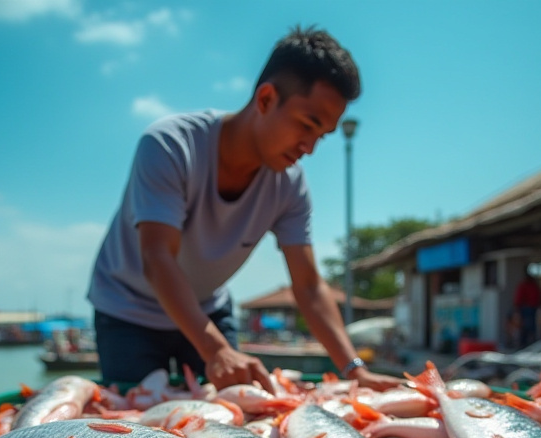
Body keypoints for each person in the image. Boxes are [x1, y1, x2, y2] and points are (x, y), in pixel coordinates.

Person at [86, 27, 402, 391]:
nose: (310, 148)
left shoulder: (290, 185)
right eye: (307, 125)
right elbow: (158, 258)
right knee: (134, 417)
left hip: (206, 308)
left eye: (322, 135)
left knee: (231, 407)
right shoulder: (171, 146)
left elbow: (309, 286)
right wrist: (216, 350)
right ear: (266, 99)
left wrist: (354, 370)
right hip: (127, 309)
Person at [511, 264, 541, 349]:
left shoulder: (531, 285)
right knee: (526, 327)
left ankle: (529, 345)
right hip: (526, 308)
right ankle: (524, 345)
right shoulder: (526, 285)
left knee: (530, 327)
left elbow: (537, 297)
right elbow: (519, 297)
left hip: (531, 308)